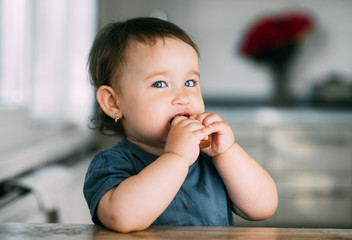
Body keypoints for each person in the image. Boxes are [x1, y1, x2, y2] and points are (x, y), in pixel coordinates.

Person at [83, 17, 278, 233]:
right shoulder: (112, 163)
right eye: (160, 84)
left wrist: (227, 151)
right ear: (113, 103)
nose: (183, 96)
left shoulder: (210, 158)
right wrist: (177, 158)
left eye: (190, 82)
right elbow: (122, 218)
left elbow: (263, 208)